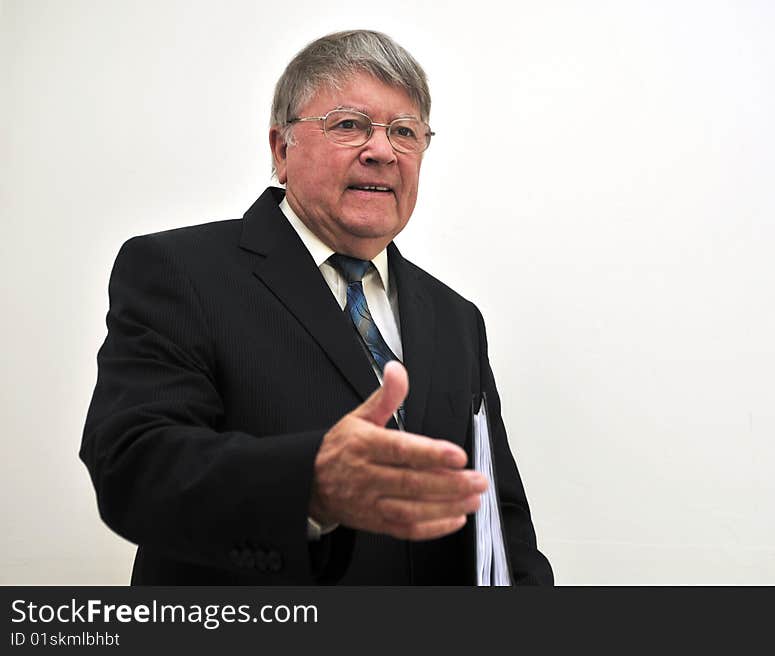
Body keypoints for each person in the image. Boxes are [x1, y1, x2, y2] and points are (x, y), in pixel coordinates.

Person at [81, 29, 553, 585]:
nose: (382, 151)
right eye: (349, 124)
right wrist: (312, 486)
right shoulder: (177, 270)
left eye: (405, 132)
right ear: (282, 150)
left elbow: (499, 515)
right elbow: (133, 466)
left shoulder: (456, 317)